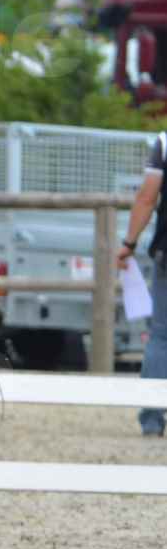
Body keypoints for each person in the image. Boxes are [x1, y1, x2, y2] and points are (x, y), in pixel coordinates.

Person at [117, 129, 167, 435]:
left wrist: (129, 243)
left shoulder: (164, 142)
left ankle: (152, 418)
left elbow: (148, 197)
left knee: (161, 336)